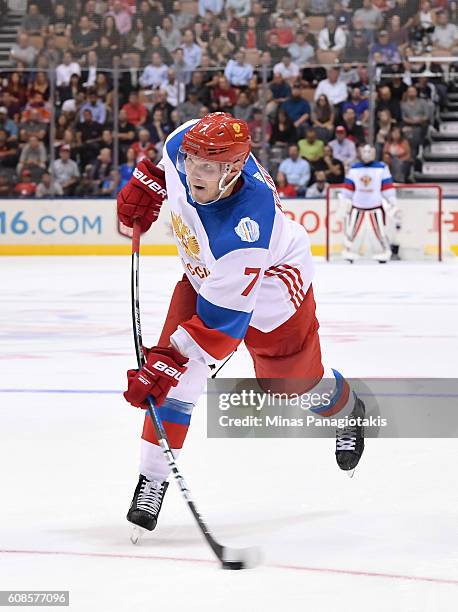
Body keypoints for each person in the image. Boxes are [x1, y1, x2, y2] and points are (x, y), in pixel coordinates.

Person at [117, 112, 366, 535]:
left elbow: (221, 328)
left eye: (208, 167)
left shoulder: (245, 233)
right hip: (205, 277)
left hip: (273, 289)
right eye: (191, 161)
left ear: (232, 171)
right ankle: (153, 478)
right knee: (175, 385)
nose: (194, 170)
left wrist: (165, 360)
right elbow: (172, 159)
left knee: (289, 386)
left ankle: (347, 409)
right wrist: (152, 178)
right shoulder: (182, 145)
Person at [340, 144, 398, 263]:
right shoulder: (354, 168)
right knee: (352, 230)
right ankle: (349, 251)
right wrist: (345, 199)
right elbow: (349, 187)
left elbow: (386, 185)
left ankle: (383, 252)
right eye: (364, 151)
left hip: (375, 204)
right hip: (357, 204)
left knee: (379, 230)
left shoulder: (382, 167)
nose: (366, 154)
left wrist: (391, 198)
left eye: (369, 151)